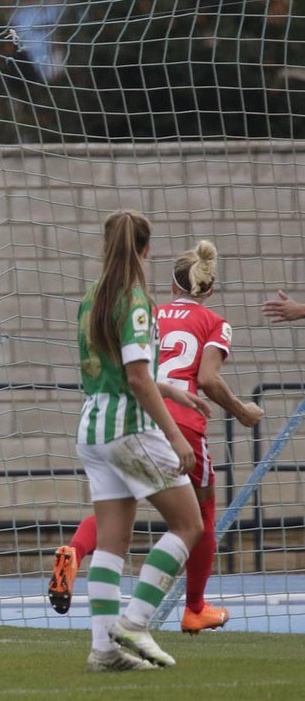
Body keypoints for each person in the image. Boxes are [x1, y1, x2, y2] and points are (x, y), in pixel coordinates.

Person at [49, 240, 264, 636]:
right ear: (210, 288)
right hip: (181, 422)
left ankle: (75, 553)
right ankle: (192, 608)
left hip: (131, 419)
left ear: (171, 286)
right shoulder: (215, 322)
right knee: (198, 518)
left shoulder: (148, 309)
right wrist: (242, 411)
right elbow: (207, 379)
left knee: (116, 508)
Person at [68, 209, 211, 672]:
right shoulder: (135, 299)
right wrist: (175, 435)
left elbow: (120, 370)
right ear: (146, 249)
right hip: (129, 429)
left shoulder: (91, 296)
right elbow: (134, 376)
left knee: (111, 542)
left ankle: (103, 652)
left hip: (92, 428)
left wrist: (168, 388)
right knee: (189, 525)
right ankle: (136, 621)